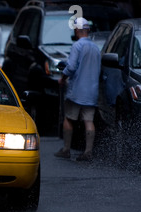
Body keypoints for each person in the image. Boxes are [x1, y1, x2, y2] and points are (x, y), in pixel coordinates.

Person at [55, 17, 101, 161]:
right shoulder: (96, 48)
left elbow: (71, 67)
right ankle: (88, 152)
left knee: (68, 118)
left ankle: (66, 149)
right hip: (92, 91)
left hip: (77, 91)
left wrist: (63, 78)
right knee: (88, 120)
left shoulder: (77, 46)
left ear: (77, 30)